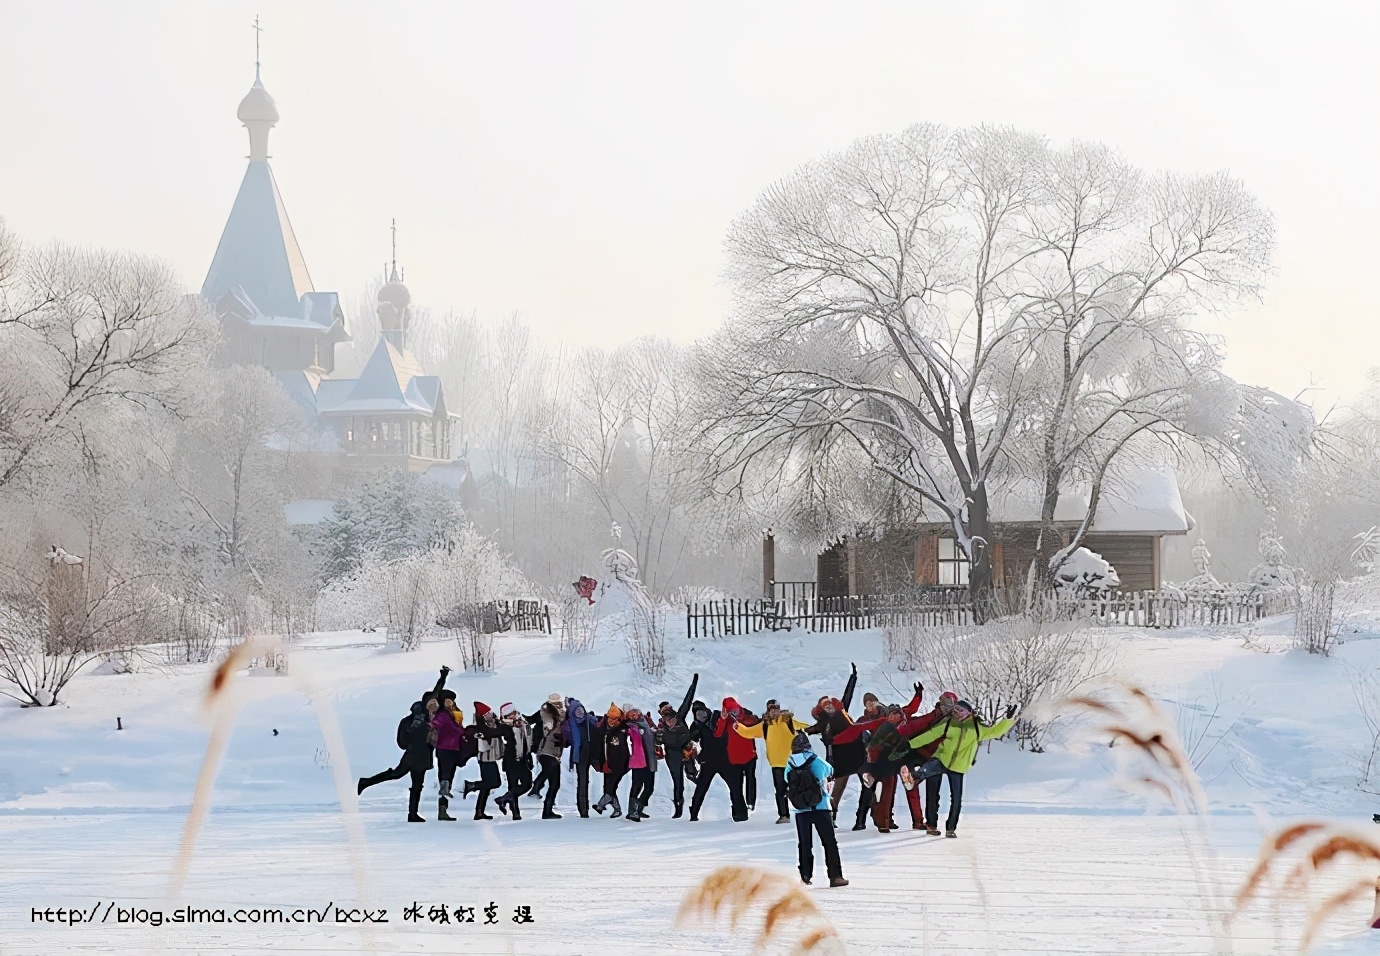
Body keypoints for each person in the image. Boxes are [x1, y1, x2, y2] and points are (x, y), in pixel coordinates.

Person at [905, 699, 1018, 837]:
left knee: (956, 799)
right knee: (930, 770)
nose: (957, 713)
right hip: (942, 758)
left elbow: (995, 732)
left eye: (960, 710)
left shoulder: (977, 727)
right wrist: (908, 745)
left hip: (959, 766)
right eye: (955, 709)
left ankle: (950, 829)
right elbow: (930, 735)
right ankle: (915, 779)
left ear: (969, 712)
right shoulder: (948, 723)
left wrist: (1007, 719)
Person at [357, 666, 450, 823]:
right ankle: (366, 782)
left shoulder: (429, 718)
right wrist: (414, 729)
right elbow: (403, 741)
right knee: (403, 778)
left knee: (412, 783)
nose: (433, 706)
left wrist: (443, 677)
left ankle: (412, 814)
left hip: (421, 755)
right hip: (414, 755)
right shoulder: (415, 720)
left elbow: (436, 693)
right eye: (429, 704)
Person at [733, 699, 813, 824]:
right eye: (772, 709)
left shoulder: (788, 721)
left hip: (792, 762)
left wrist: (817, 729)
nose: (774, 712)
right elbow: (749, 732)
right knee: (780, 791)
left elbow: (804, 727)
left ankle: (806, 811)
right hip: (776, 764)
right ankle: (784, 815)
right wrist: (739, 727)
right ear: (768, 711)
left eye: (776, 709)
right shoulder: (764, 725)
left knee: (798, 788)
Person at [785, 731, 848, 888]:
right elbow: (829, 771)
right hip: (821, 806)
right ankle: (835, 876)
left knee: (805, 843)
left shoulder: (790, 763)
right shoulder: (815, 760)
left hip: (801, 809)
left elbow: (787, 779)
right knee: (829, 842)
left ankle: (805, 875)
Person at [804, 663, 858, 826]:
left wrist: (853, 677)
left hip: (852, 753)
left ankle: (840, 815)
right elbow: (809, 730)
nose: (828, 706)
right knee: (833, 788)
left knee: (851, 784)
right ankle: (828, 814)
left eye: (829, 703)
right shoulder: (823, 723)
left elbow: (848, 695)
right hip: (834, 758)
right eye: (824, 705)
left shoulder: (842, 713)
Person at [688, 697, 751, 822]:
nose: (701, 715)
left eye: (702, 711)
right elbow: (691, 743)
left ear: (707, 710)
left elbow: (740, 715)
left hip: (726, 758)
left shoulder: (719, 716)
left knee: (735, 787)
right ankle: (694, 813)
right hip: (708, 760)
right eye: (697, 714)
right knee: (701, 787)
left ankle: (741, 813)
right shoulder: (696, 725)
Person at [655, 673, 699, 818]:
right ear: (662, 716)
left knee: (693, 775)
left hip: (686, 751)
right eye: (665, 714)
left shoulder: (680, 717)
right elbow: (659, 742)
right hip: (672, 756)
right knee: (677, 782)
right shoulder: (661, 728)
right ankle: (678, 808)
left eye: (670, 713)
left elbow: (688, 700)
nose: (670, 719)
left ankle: (700, 793)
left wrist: (693, 684)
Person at [462, 702, 505, 820]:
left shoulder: (492, 724)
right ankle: (472, 786)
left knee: (488, 785)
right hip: (485, 759)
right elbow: (493, 733)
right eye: (488, 713)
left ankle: (479, 811)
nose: (491, 714)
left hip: (491, 758)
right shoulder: (481, 728)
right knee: (493, 783)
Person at [527, 694, 567, 819]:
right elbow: (549, 726)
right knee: (554, 783)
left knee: (554, 783)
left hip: (550, 753)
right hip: (547, 752)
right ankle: (547, 810)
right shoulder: (548, 713)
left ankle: (546, 806)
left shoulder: (556, 713)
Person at [430, 690, 466, 822]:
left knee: (448, 777)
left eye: (452, 699)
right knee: (445, 776)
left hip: (454, 748)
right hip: (445, 748)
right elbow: (439, 724)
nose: (451, 701)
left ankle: (443, 810)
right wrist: (462, 731)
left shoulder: (455, 713)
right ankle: (442, 807)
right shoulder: (443, 714)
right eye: (448, 699)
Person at [495, 702, 534, 820]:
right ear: (505, 717)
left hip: (522, 758)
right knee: (513, 786)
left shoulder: (522, 723)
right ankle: (515, 813)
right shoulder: (503, 726)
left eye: (513, 713)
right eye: (510, 714)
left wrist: (529, 756)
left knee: (527, 784)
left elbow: (526, 740)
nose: (513, 716)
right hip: (511, 759)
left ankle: (504, 799)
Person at [592, 703, 630, 818]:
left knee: (610, 787)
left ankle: (601, 805)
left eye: (616, 719)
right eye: (611, 718)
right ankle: (615, 809)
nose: (613, 721)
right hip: (607, 763)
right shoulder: (602, 729)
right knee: (608, 787)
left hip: (620, 763)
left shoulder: (623, 728)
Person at [564, 697, 597, 818]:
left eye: (581, 710)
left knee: (586, 781)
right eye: (577, 711)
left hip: (590, 753)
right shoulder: (569, 724)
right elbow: (565, 739)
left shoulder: (589, 720)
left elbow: (599, 723)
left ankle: (585, 807)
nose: (580, 713)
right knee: (582, 782)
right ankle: (583, 809)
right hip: (580, 755)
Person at [625, 707, 657, 821]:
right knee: (637, 786)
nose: (635, 716)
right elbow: (631, 734)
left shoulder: (646, 724)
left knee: (649, 787)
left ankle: (638, 809)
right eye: (631, 715)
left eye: (636, 713)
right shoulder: (632, 726)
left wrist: (652, 724)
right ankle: (632, 811)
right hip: (638, 761)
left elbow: (655, 733)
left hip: (649, 760)